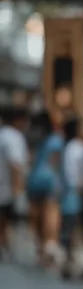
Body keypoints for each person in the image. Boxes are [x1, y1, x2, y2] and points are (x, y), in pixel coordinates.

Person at [60, 117, 83, 278]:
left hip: (64, 191)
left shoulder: (65, 146)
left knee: (67, 224)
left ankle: (67, 258)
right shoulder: (80, 147)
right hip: (76, 191)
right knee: (75, 225)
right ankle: (72, 260)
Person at [27, 110, 64, 266]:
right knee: (50, 212)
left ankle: (40, 248)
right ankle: (50, 243)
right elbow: (56, 163)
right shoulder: (56, 140)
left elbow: (31, 159)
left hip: (34, 180)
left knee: (37, 216)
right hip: (49, 181)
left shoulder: (35, 140)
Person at [0, 107, 29, 260]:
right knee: (6, 217)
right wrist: (17, 188)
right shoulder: (13, 137)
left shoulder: (3, 135)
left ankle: (4, 245)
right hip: (7, 186)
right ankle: (5, 245)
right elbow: (15, 164)